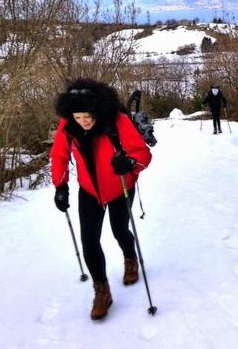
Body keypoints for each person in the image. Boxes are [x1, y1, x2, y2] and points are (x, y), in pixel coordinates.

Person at [50, 78, 152, 320]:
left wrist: (128, 163)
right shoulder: (68, 126)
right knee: (89, 241)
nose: (83, 122)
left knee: (119, 230)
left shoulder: (118, 121)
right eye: (78, 117)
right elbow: (59, 156)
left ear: (97, 110)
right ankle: (101, 290)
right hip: (89, 191)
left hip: (120, 186)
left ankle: (130, 258)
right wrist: (60, 186)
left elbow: (142, 154)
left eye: (87, 116)